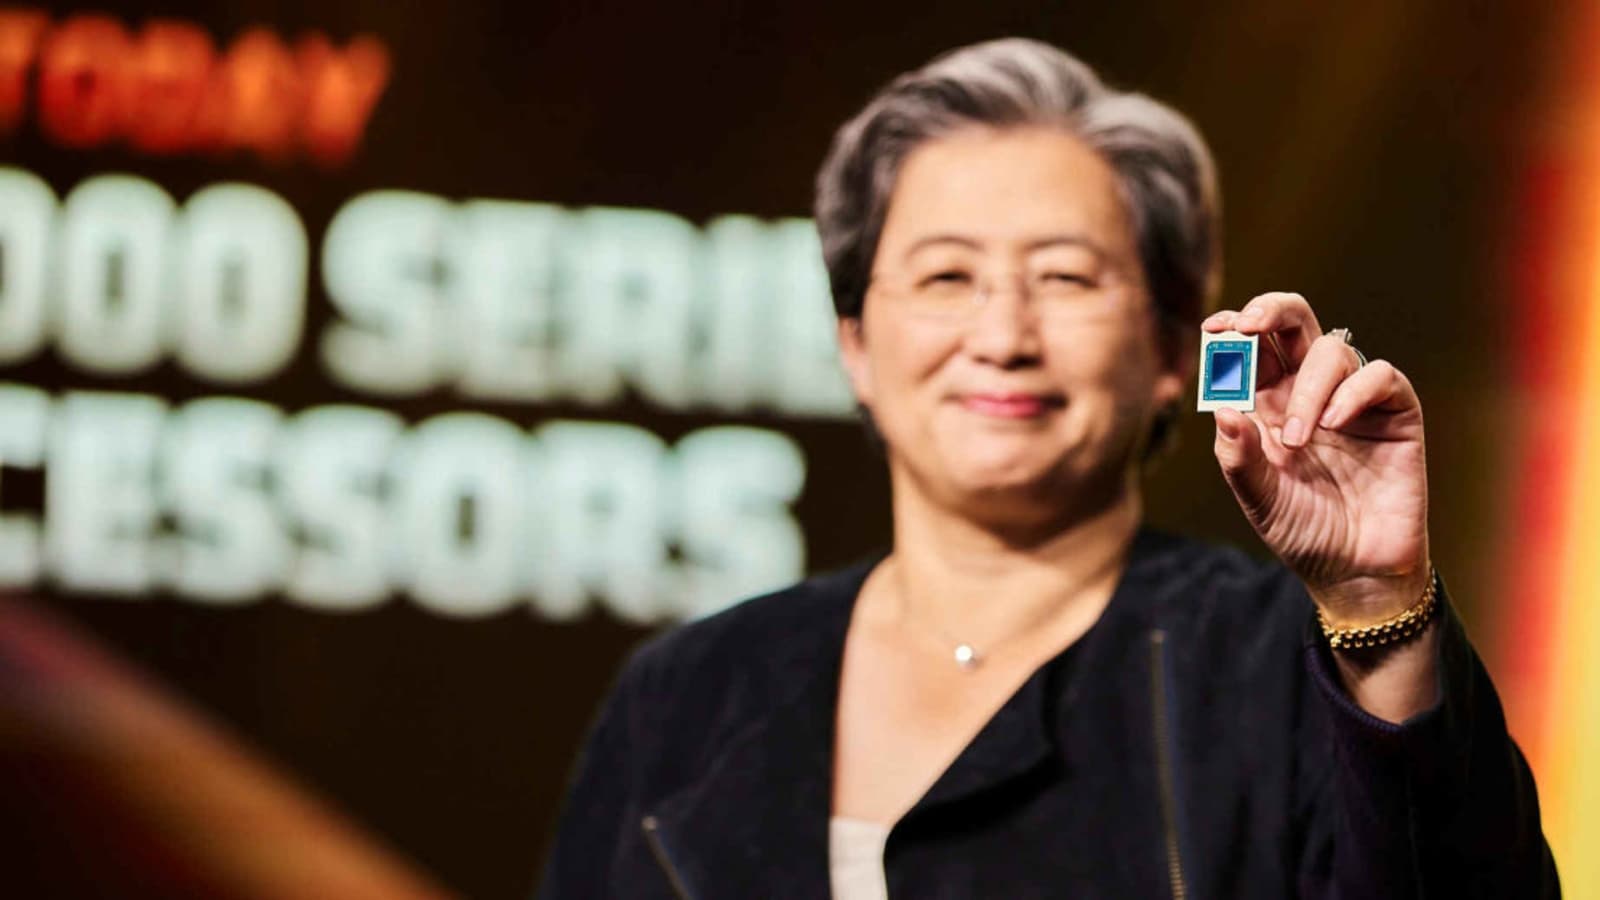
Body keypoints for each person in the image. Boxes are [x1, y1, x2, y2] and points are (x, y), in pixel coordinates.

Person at [535, 38, 1558, 899]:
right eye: (946, 276)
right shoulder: (689, 694)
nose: (1002, 337)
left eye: (1066, 277)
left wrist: (1377, 604)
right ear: (855, 343)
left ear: (1172, 351)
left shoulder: (1290, 669)